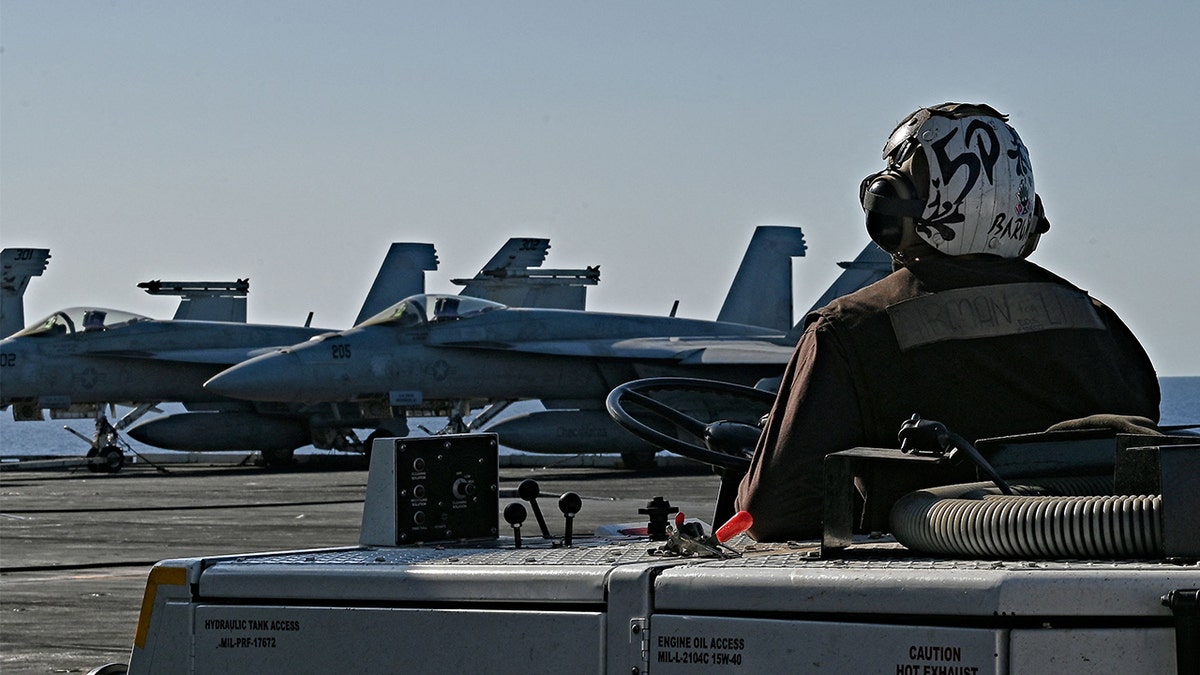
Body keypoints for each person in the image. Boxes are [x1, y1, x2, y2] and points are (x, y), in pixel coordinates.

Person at [735, 103, 1160, 542]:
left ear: (891, 211)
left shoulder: (850, 330)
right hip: (1103, 574)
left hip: (919, 597)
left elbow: (774, 512)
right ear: (1027, 215)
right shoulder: (1101, 325)